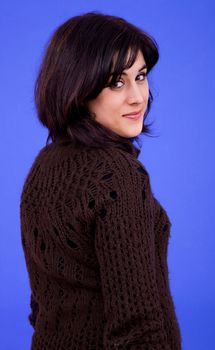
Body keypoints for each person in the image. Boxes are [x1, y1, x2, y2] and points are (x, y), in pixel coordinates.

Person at [20, 12, 182, 350]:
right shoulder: (118, 177)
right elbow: (138, 328)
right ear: (78, 88)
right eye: (116, 82)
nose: (138, 97)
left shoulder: (43, 166)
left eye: (141, 76)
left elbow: (43, 306)